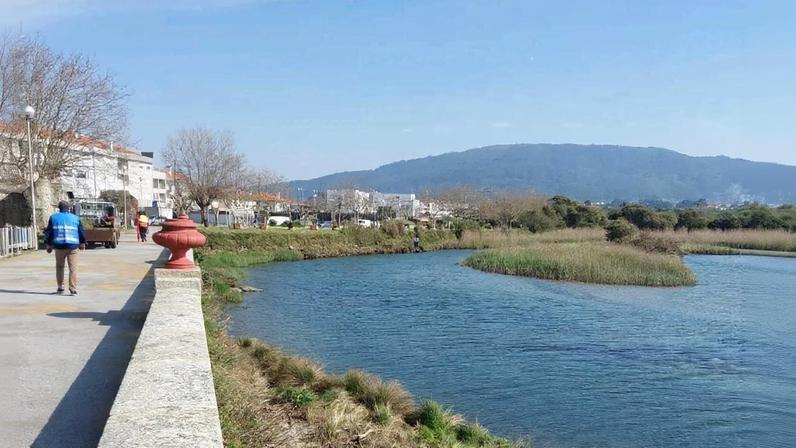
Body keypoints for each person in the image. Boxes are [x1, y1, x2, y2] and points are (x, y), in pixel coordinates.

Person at [44, 201, 86, 295]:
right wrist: (83, 242)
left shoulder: (53, 217)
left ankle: (60, 287)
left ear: (59, 208)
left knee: (60, 267)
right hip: (73, 247)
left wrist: (48, 244)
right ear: (69, 208)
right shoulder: (75, 218)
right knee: (73, 268)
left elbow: (49, 232)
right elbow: (81, 231)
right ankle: (73, 289)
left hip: (59, 246)